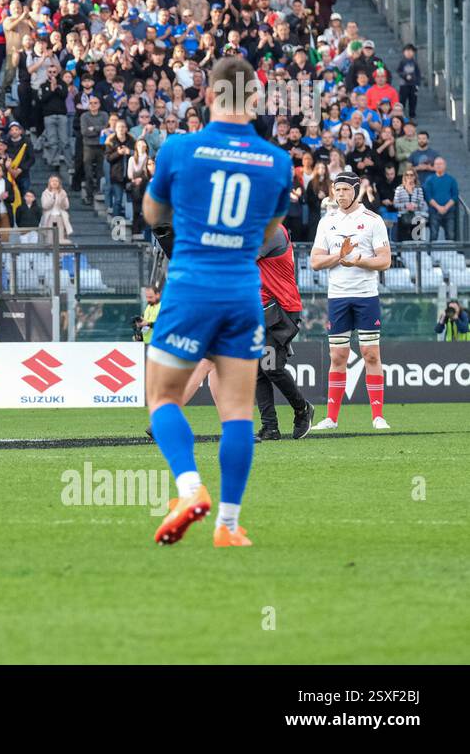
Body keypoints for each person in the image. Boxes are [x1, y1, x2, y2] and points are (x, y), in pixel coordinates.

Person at [142, 56, 293, 548]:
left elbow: (152, 212)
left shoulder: (179, 149)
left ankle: (189, 489)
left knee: (163, 398)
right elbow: (269, 231)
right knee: (237, 414)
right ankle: (228, 527)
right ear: (255, 100)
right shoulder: (277, 163)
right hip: (243, 294)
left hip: (190, 288)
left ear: (208, 96)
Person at [309, 171, 392, 431]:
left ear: (355, 191)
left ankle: (377, 416)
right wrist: (339, 257)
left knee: (371, 354)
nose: (340, 194)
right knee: (338, 356)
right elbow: (315, 262)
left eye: (345, 189)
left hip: (366, 296)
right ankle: (331, 418)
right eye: (337, 190)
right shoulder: (327, 221)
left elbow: (385, 260)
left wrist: (359, 260)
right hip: (338, 297)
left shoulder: (373, 220)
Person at [252, 224, 314, 441]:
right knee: (259, 370)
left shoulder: (271, 231)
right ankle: (270, 427)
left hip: (281, 308)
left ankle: (302, 409)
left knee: (271, 367)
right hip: (262, 308)